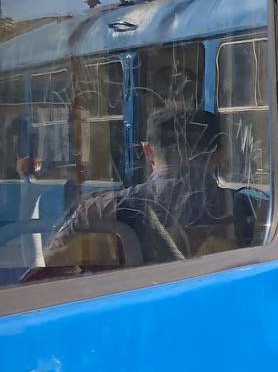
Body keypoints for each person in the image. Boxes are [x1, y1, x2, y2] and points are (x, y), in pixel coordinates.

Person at [42, 106, 255, 270]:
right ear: (220, 155)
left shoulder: (98, 211)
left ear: (147, 151)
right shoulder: (253, 212)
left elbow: (52, 261)